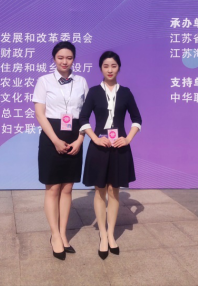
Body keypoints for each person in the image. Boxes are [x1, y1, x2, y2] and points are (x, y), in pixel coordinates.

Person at [79, 51, 142, 259]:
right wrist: (95, 139)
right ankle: (102, 236)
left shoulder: (126, 93)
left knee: (114, 192)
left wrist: (128, 138)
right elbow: (83, 118)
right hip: (99, 147)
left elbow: (137, 119)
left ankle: (111, 234)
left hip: (119, 148)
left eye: (113, 66)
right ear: (101, 68)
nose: (109, 69)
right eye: (106, 66)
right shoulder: (94, 92)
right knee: (100, 191)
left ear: (119, 68)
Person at [33, 41, 89, 261]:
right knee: (53, 187)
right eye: (60, 58)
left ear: (74, 59)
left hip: (75, 134)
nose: (65, 62)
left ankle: (63, 234)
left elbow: (85, 115)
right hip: (51, 135)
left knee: (67, 188)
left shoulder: (81, 81)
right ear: (54, 58)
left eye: (69, 58)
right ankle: (55, 235)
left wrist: (80, 139)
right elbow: (40, 114)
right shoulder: (44, 81)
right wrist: (55, 140)